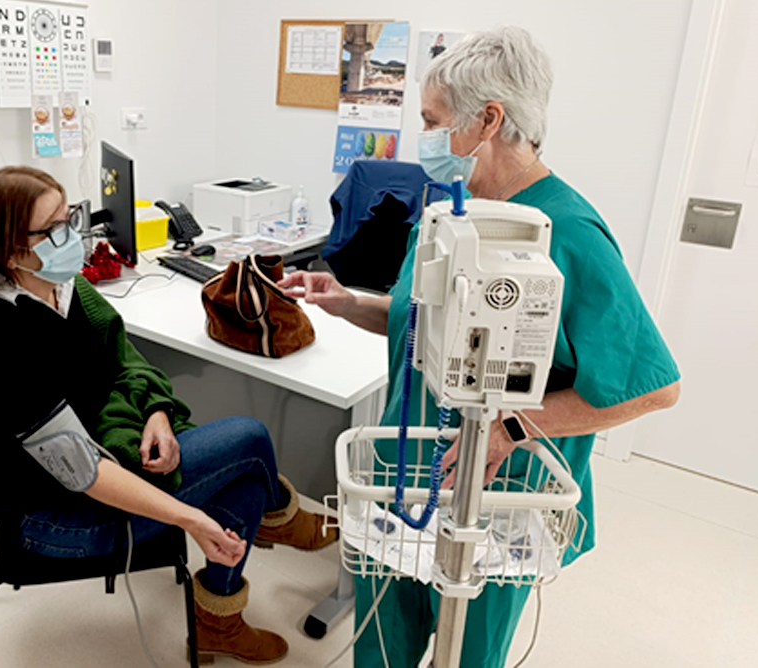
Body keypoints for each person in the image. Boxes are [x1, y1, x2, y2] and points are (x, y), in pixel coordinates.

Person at [278, 26, 681, 668]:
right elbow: (428, 327)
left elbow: (653, 387)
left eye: (433, 121)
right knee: (383, 646)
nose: (425, 137)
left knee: (467, 651)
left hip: (496, 497)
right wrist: (350, 302)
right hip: (402, 468)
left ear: (487, 119)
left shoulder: (569, 230)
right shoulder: (449, 206)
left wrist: (510, 427)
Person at [0, 165, 338, 665]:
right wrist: (190, 519)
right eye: (55, 230)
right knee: (250, 441)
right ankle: (275, 528)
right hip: (52, 522)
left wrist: (156, 412)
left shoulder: (63, 291)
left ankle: (224, 613)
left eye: (73, 220)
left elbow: (126, 363)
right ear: (8, 249)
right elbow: (83, 471)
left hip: (91, 471)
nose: (75, 239)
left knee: (246, 483)